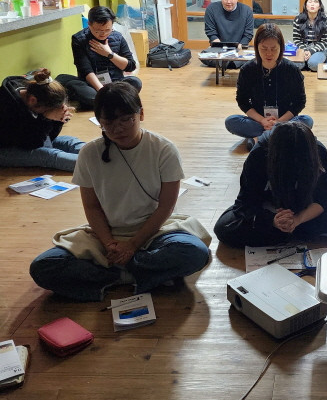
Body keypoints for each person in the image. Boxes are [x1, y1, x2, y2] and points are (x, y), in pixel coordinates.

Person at [30, 83, 211, 302]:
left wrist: (132, 245)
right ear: (100, 122)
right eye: (108, 123)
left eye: (126, 119)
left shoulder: (163, 149)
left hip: (154, 232)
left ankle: (112, 275)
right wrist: (109, 244)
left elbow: (166, 206)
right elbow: (92, 207)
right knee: (43, 267)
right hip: (104, 235)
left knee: (194, 252)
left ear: (141, 114)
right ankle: (135, 273)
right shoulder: (89, 153)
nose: (118, 129)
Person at [214, 122, 327, 248]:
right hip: (269, 209)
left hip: (304, 207)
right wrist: (273, 220)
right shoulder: (259, 154)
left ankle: (284, 232)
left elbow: (325, 196)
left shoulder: (317, 151)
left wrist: (298, 219)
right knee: (224, 228)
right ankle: (291, 232)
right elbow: (246, 202)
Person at [0, 69, 84, 171]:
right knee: (49, 156)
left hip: (22, 140)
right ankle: (91, 165)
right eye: (45, 111)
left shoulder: (34, 94)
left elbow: (49, 137)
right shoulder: (8, 108)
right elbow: (36, 144)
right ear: (33, 100)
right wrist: (47, 118)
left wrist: (58, 119)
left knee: (70, 141)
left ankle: (95, 154)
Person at [225, 23, 313, 149]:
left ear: (281, 48)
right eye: (264, 49)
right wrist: (262, 120)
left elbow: (300, 102)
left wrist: (279, 122)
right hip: (259, 121)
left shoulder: (292, 70)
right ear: (257, 47)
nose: (269, 53)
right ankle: (276, 136)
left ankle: (260, 137)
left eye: (273, 49)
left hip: (284, 120)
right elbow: (242, 101)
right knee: (231, 121)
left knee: (307, 120)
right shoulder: (247, 70)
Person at [57, 6, 141, 110]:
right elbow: (86, 70)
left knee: (135, 82)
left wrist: (109, 54)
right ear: (89, 24)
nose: (103, 34)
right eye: (98, 30)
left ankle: (104, 101)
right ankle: (115, 100)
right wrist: (102, 91)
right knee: (79, 89)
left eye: (107, 30)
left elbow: (130, 66)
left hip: (115, 83)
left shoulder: (117, 37)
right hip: (92, 85)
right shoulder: (79, 39)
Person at [201, 0, 255, 68]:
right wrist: (220, 48)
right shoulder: (211, 9)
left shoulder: (246, 10)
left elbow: (248, 34)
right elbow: (211, 32)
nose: (229, 2)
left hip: (239, 48)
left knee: (252, 59)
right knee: (204, 56)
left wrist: (238, 48)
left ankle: (225, 63)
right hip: (219, 48)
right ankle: (228, 63)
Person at [292, 0, 327, 70]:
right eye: (310, 2)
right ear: (306, 5)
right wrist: (305, 50)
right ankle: (306, 61)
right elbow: (296, 39)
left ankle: (310, 61)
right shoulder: (298, 19)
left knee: (313, 64)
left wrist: (311, 51)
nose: (312, 4)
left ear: (319, 6)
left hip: (318, 49)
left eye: (316, 2)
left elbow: (324, 42)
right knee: (296, 65)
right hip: (302, 48)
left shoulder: (325, 20)